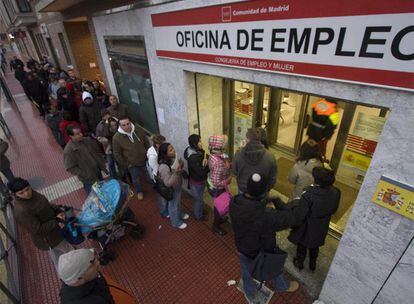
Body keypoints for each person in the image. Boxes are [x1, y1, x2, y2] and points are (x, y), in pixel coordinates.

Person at [230, 173, 300, 303]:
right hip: (262, 250)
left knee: (246, 272)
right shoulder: (267, 216)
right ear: (264, 193)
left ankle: (250, 293)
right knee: (273, 266)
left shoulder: (235, 202)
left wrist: (262, 203)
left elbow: (250, 211)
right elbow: (292, 219)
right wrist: (278, 202)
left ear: (247, 188)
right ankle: (283, 286)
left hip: (242, 246)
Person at [9, 178, 73, 269]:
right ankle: (68, 276)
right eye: (21, 193)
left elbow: (45, 204)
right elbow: (38, 230)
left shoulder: (33, 194)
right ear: (14, 194)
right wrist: (56, 220)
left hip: (55, 231)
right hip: (48, 239)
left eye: (27, 189)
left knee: (62, 254)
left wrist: (56, 209)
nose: (27, 194)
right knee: (64, 255)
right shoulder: (21, 211)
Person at [287, 167, 340, 271]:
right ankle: (312, 264)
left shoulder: (309, 195)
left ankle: (299, 262)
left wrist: (297, 204)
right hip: (322, 225)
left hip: (307, 225)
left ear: (316, 180)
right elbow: (333, 209)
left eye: (312, 175)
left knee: (302, 244)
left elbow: (300, 215)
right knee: (315, 245)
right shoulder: (336, 192)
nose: (311, 176)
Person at [58, 248, 135, 304]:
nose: (98, 263)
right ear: (80, 278)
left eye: (94, 259)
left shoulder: (89, 278)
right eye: (92, 264)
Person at [112, 117, 149, 200]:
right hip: (131, 163)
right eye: (123, 125)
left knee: (148, 175)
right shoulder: (116, 138)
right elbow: (117, 154)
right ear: (120, 126)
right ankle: (139, 191)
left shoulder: (138, 130)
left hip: (144, 159)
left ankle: (154, 186)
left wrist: (149, 154)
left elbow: (146, 142)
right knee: (135, 179)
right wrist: (127, 164)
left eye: (128, 124)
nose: (127, 126)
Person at [63, 126, 107, 194]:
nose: (81, 134)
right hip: (88, 179)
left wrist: (101, 163)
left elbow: (97, 152)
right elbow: (70, 167)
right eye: (77, 134)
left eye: (80, 132)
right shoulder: (69, 150)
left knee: (104, 192)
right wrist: (85, 174)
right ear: (71, 136)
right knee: (95, 196)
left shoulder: (87, 140)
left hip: (97, 172)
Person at [233, 127, 277, 194]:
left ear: (247, 139)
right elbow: (272, 177)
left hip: (243, 189)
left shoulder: (238, 154)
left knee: (242, 203)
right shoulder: (270, 156)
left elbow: (235, 172)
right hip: (261, 190)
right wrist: (267, 189)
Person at [157, 142, 189, 229]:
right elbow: (168, 183)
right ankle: (175, 222)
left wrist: (180, 164)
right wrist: (177, 172)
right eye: (170, 150)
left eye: (173, 148)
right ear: (165, 153)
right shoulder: (163, 166)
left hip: (177, 186)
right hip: (171, 189)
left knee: (177, 202)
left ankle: (179, 214)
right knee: (173, 205)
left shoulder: (171, 158)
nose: (174, 151)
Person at [207, 135, 231, 235]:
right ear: (219, 147)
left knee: (219, 206)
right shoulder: (218, 162)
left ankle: (219, 220)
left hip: (212, 184)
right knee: (219, 208)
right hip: (217, 188)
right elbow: (216, 182)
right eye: (224, 145)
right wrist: (227, 181)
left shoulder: (213, 155)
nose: (226, 147)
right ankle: (216, 226)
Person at [184, 134, 209, 220]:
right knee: (198, 200)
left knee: (200, 198)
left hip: (196, 180)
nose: (201, 143)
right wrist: (207, 165)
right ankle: (198, 215)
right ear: (195, 144)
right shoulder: (193, 158)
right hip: (197, 182)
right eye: (199, 141)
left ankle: (200, 210)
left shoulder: (191, 150)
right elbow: (201, 172)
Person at [96, 111, 117, 179]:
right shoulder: (100, 125)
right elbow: (99, 137)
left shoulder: (115, 120)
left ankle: (124, 176)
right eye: (105, 115)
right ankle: (113, 177)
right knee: (110, 163)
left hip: (117, 146)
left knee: (120, 162)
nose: (107, 116)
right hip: (108, 148)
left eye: (108, 114)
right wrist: (107, 140)